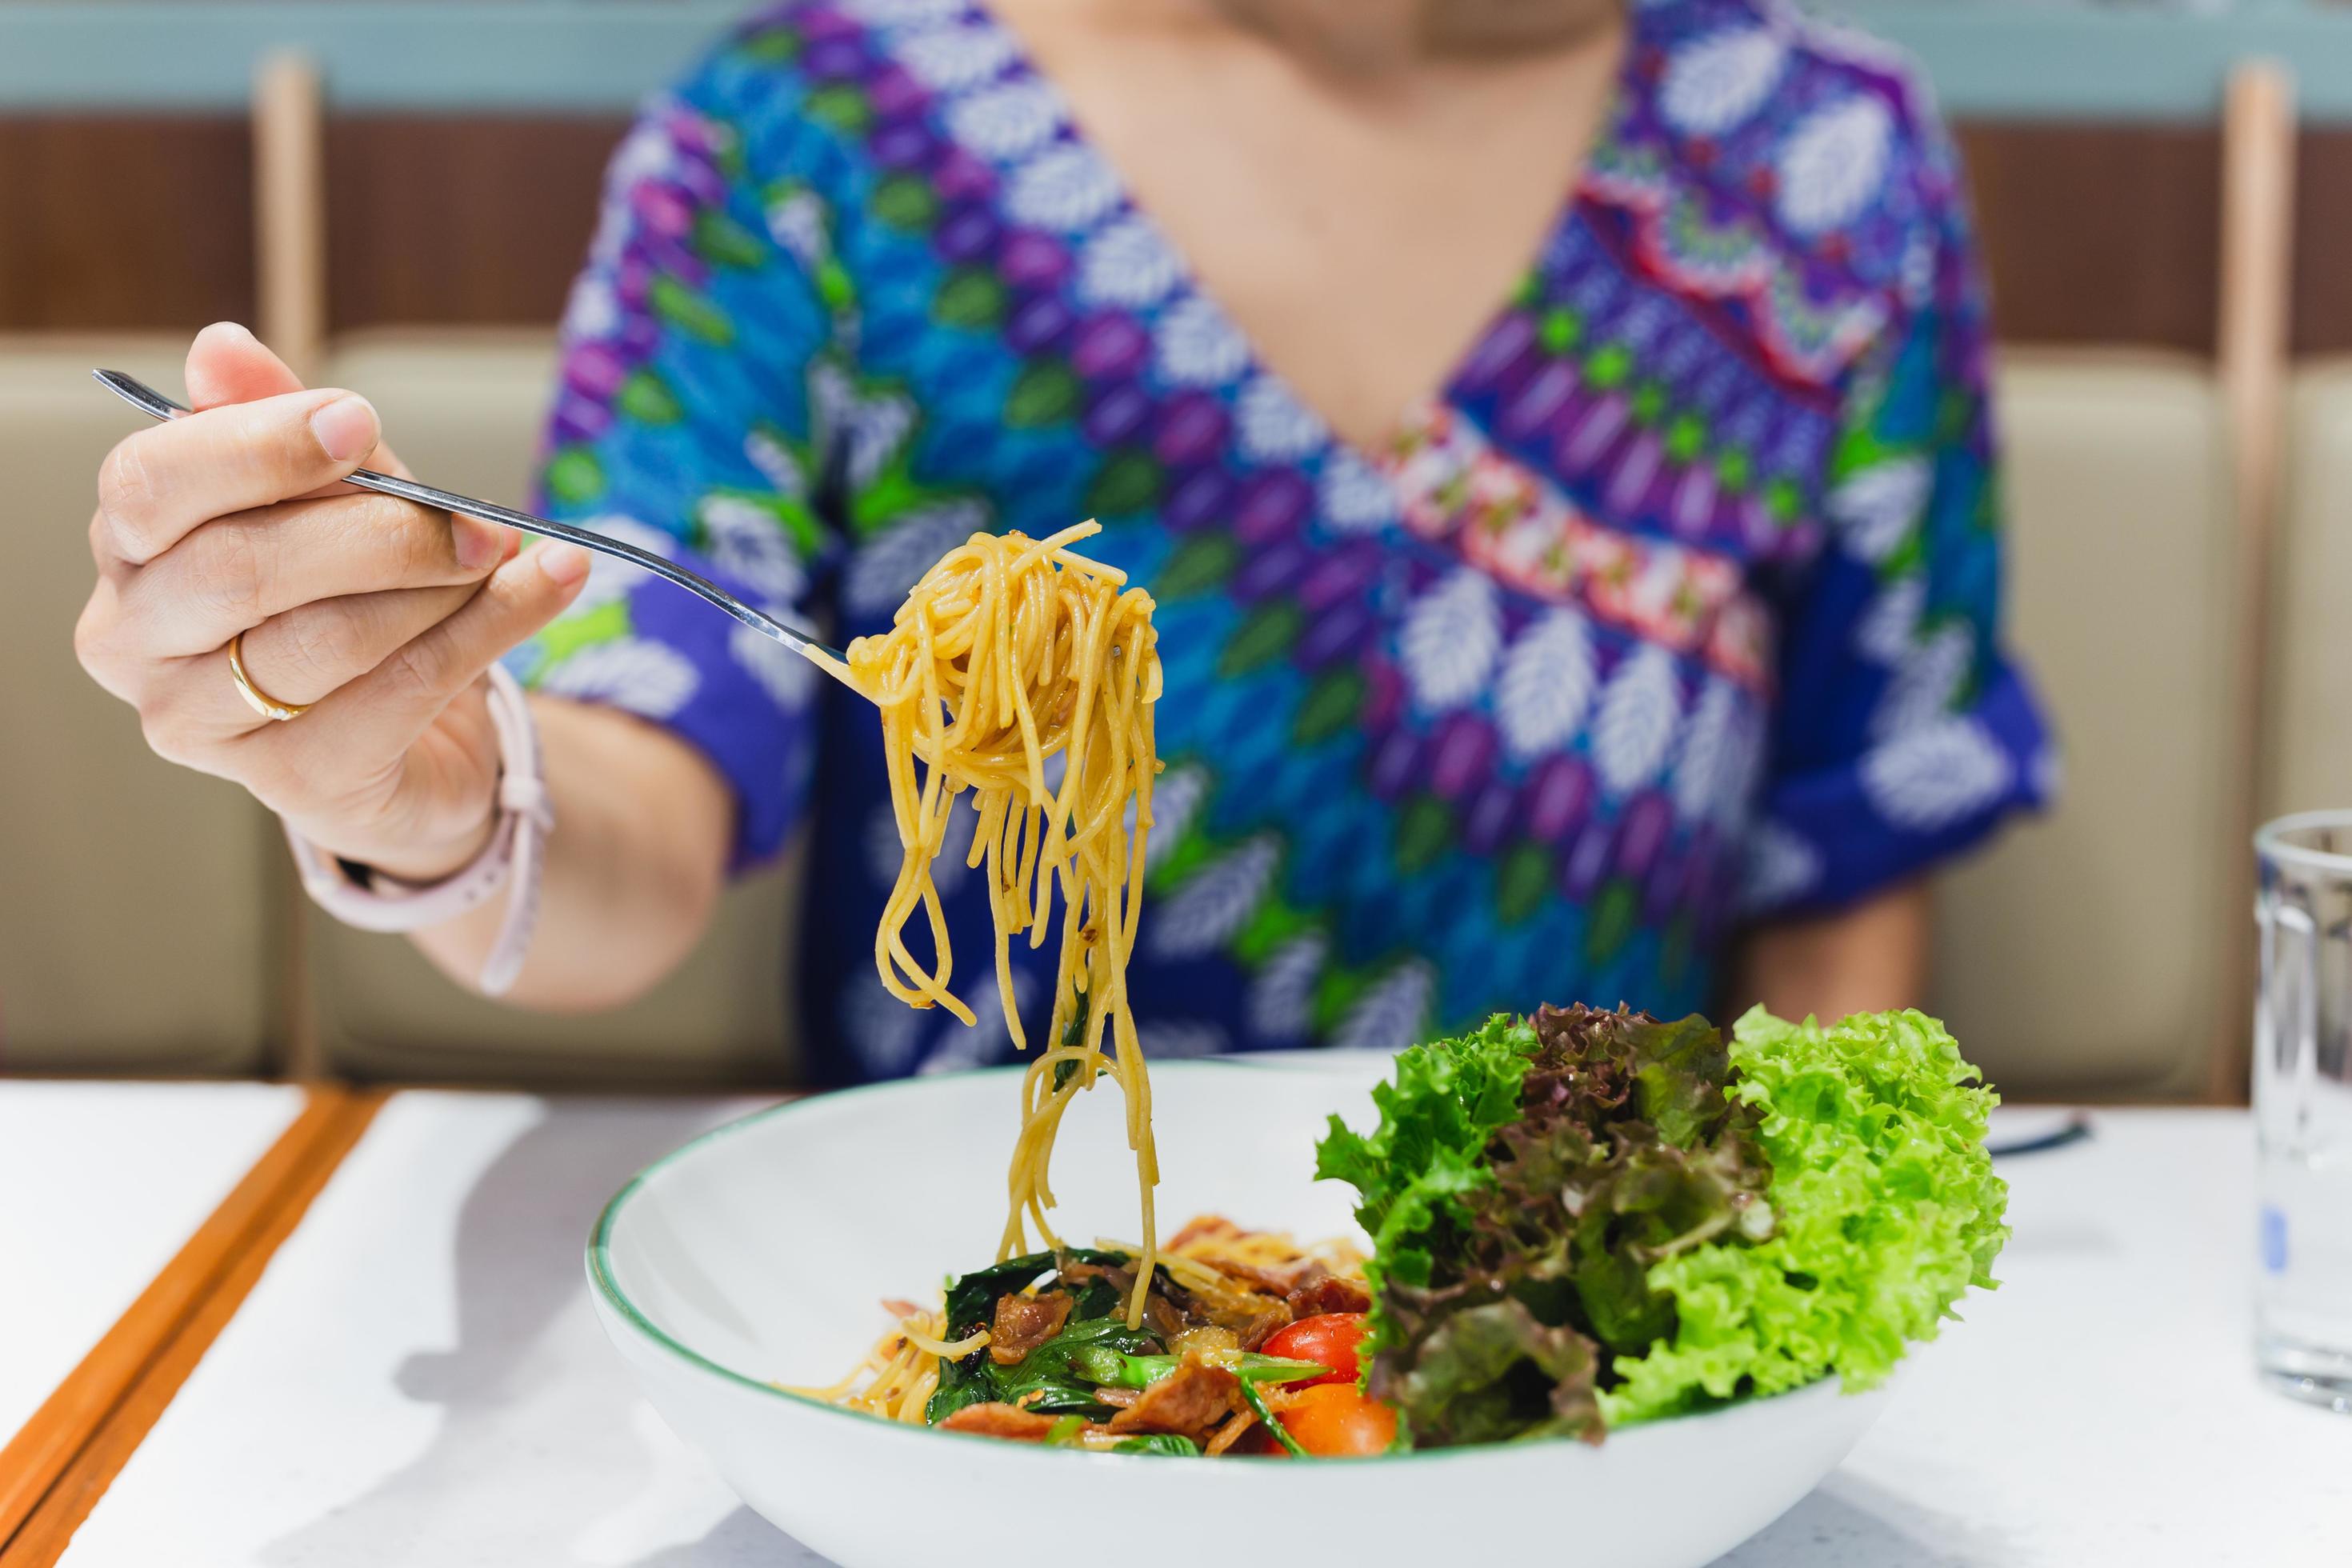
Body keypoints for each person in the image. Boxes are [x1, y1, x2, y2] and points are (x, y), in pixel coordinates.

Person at [74, 0, 2050, 1080]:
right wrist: (428, 787)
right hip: (976, 1359)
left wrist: (1785, 1325)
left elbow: (1852, 851)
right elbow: (641, 784)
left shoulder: (1825, 162)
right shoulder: (811, 141)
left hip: (1575, 1378)